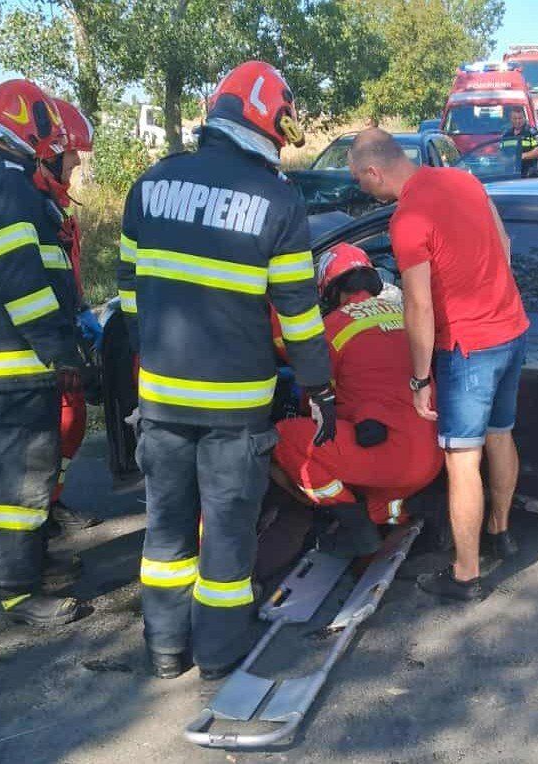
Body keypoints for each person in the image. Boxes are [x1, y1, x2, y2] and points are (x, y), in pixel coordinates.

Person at [117, 60, 335, 680]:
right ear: (270, 123)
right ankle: (216, 653)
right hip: (235, 410)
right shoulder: (278, 202)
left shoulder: (150, 185)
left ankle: (165, 650)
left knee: (166, 530)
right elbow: (298, 314)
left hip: (160, 399)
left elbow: (129, 292)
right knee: (227, 533)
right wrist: (319, 388)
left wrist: (151, 358)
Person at [348, 129, 529, 602]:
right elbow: (504, 244)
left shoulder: (408, 218)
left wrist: (419, 378)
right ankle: (501, 532)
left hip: (468, 349)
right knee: (501, 435)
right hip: (512, 330)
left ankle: (466, 576)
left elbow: (418, 306)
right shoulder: (464, 180)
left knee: (462, 460)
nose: (360, 188)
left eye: (359, 179)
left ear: (374, 171)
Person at [0, 79, 87, 626]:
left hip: (7, 362)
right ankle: (15, 592)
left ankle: (25, 567)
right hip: (16, 366)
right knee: (19, 482)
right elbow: (21, 281)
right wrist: (59, 349)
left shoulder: (0, 179)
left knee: (13, 476)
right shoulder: (7, 185)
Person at [273, 243, 444, 556]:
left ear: (329, 290)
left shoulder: (332, 328)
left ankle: (353, 524)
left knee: (287, 437)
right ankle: (399, 508)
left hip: (390, 458)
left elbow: (314, 400)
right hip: (433, 456)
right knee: (372, 460)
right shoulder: (403, 315)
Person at [32, 98, 102, 535]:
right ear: (49, 153)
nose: (76, 163)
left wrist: (80, 310)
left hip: (61, 326)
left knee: (70, 420)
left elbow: (62, 270)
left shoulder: (52, 204)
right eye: (72, 154)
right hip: (36, 342)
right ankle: (35, 523)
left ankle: (49, 505)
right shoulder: (27, 207)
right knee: (50, 428)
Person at [500, 108, 538, 178]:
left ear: (524, 118)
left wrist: (520, 157)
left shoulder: (534, 132)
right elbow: (501, 153)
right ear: (511, 119)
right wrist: (505, 160)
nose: (518, 121)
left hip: (529, 176)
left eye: (520, 118)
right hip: (510, 175)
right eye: (515, 118)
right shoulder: (506, 135)